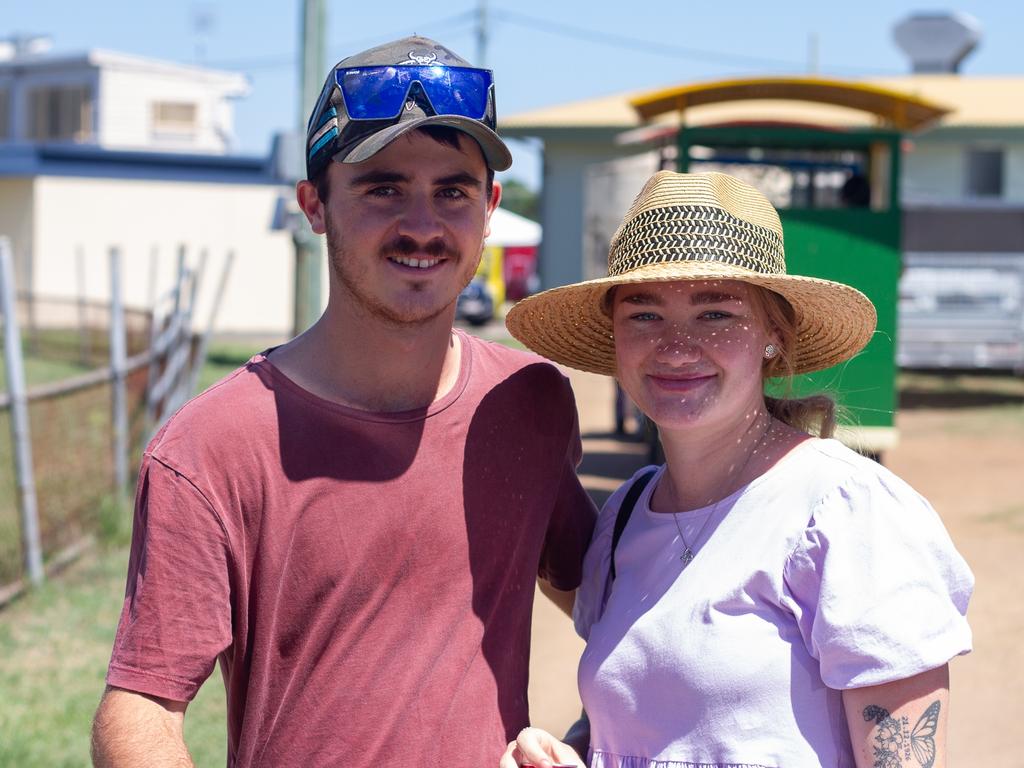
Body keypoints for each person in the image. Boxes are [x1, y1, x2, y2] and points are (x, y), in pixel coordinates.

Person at [91, 36, 596, 768]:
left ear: (489, 208)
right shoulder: (212, 446)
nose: (422, 225)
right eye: (383, 187)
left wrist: (590, 741)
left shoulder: (527, 404)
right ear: (314, 204)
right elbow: (142, 705)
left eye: (452, 191)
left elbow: (624, 610)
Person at [501, 170, 973, 768]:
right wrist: (577, 751)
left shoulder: (844, 509)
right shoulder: (624, 516)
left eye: (716, 314)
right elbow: (655, 718)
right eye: (644, 315)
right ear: (614, 337)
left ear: (774, 334)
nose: (675, 346)